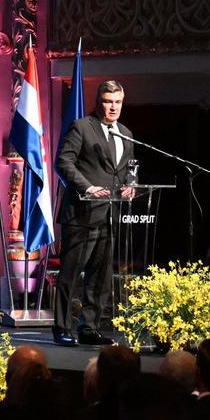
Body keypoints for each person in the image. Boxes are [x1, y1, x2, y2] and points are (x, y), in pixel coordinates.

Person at [55, 79, 135, 346]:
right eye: (108, 102)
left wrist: (129, 188)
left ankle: (89, 327)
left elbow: (124, 171)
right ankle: (62, 328)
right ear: (98, 102)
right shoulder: (82, 127)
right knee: (71, 273)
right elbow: (63, 162)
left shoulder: (125, 132)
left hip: (109, 216)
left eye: (117, 102)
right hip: (81, 214)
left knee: (100, 278)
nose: (113, 107)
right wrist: (87, 187)